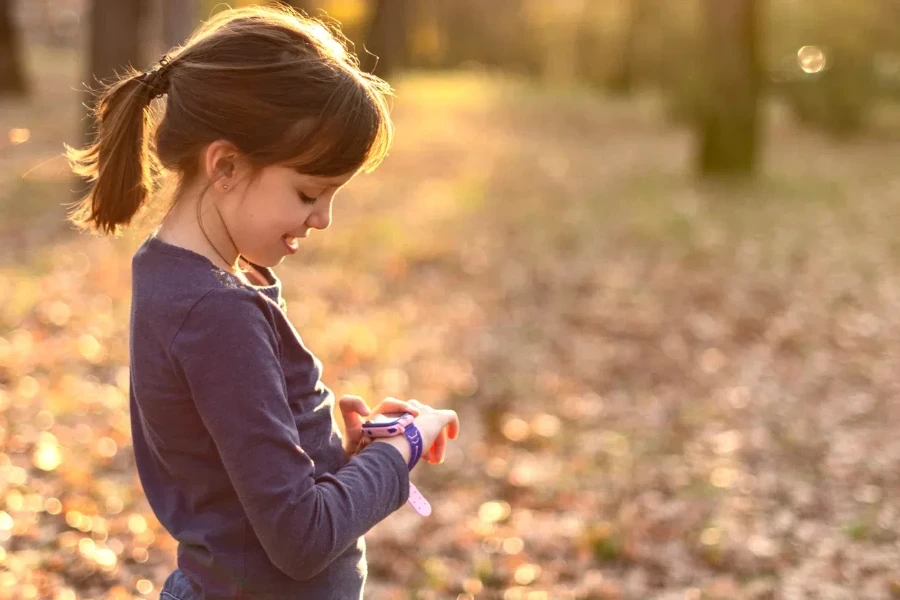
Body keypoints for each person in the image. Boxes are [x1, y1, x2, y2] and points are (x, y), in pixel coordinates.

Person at [64, 6, 460, 599]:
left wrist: (337, 461)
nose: (323, 219)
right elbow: (299, 539)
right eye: (309, 192)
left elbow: (237, 482)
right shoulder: (216, 312)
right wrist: (399, 453)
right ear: (225, 165)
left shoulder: (173, 274)